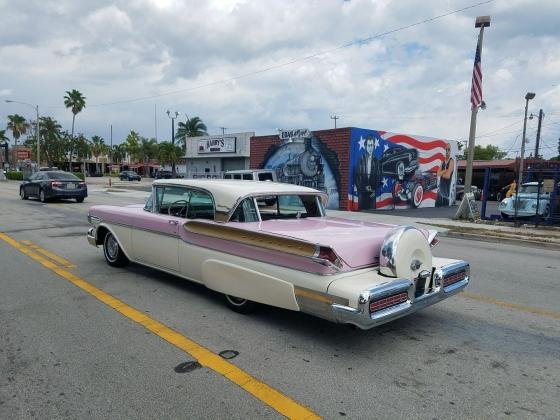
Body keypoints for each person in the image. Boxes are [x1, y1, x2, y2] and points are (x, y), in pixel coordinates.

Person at [353, 135, 381, 210]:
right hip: (362, 192)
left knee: (372, 213)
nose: (370, 147)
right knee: (361, 212)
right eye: (369, 145)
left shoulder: (376, 161)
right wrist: (364, 187)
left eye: (372, 145)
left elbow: (378, 177)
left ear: (374, 146)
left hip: (372, 192)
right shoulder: (361, 159)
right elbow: (357, 176)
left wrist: (374, 189)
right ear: (365, 146)